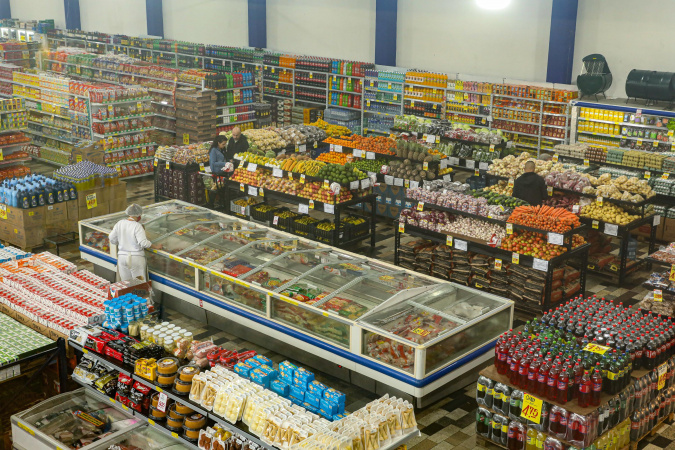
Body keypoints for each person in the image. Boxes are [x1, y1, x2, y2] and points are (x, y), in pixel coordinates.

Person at [109, 204, 152, 281]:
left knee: (126, 284)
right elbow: (143, 243)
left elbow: (111, 238)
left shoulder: (120, 223)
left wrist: (121, 242)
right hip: (136, 258)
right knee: (139, 285)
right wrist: (152, 244)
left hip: (122, 258)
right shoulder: (137, 226)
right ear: (138, 215)